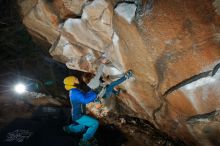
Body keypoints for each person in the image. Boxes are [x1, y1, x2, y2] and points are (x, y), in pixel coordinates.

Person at [62, 76, 99, 146]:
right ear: (72, 82)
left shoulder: (73, 90)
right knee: (95, 123)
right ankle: (84, 140)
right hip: (78, 115)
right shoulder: (75, 92)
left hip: (76, 114)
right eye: (75, 79)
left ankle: (69, 129)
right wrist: (95, 93)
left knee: (83, 126)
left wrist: (92, 92)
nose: (77, 79)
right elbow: (85, 100)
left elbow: (84, 95)